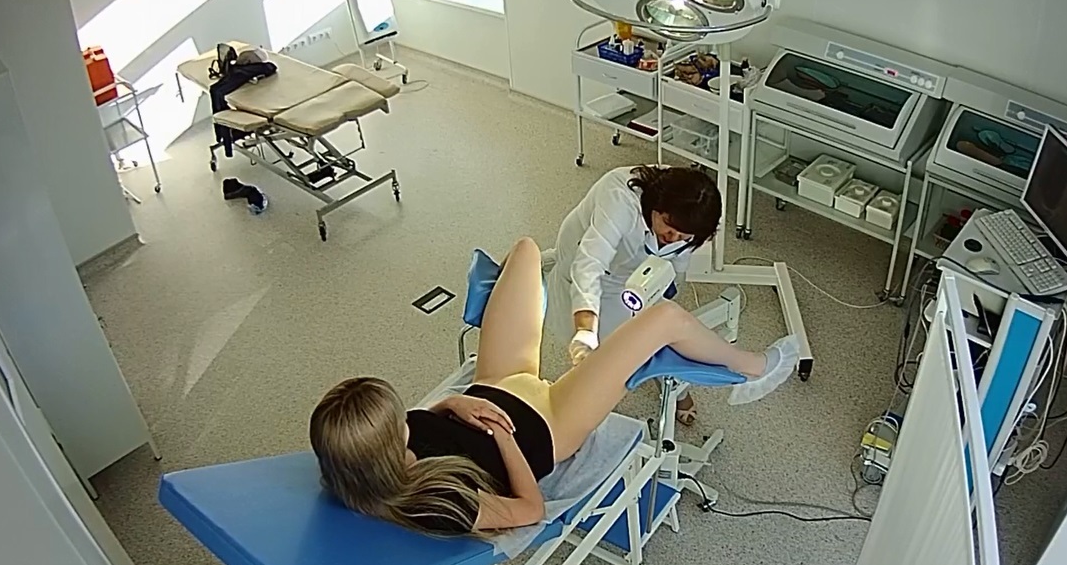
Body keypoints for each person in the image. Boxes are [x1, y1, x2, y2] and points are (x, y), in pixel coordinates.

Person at [310, 237, 798, 537]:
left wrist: (452, 403)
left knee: (525, 252)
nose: (406, 419)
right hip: (549, 425)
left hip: (494, 384)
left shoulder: (374, 452)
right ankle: (756, 368)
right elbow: (529, 510)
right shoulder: (439, 500)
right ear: (381, 447)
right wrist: (502, 436)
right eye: (398, 420)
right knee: (664, 318)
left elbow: (427, 420)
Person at [544, 165, 721, 426]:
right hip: (588, 259)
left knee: (654, 327)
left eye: (682, 235)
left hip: (637, 271)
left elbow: (679, 257)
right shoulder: (620, 200)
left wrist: (670, 283)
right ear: (655, 207)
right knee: (612, 351)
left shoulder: (692, 218)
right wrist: (585, 328)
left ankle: (672, 385)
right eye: (668, 226)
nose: (672, 237)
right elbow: (589, 264)